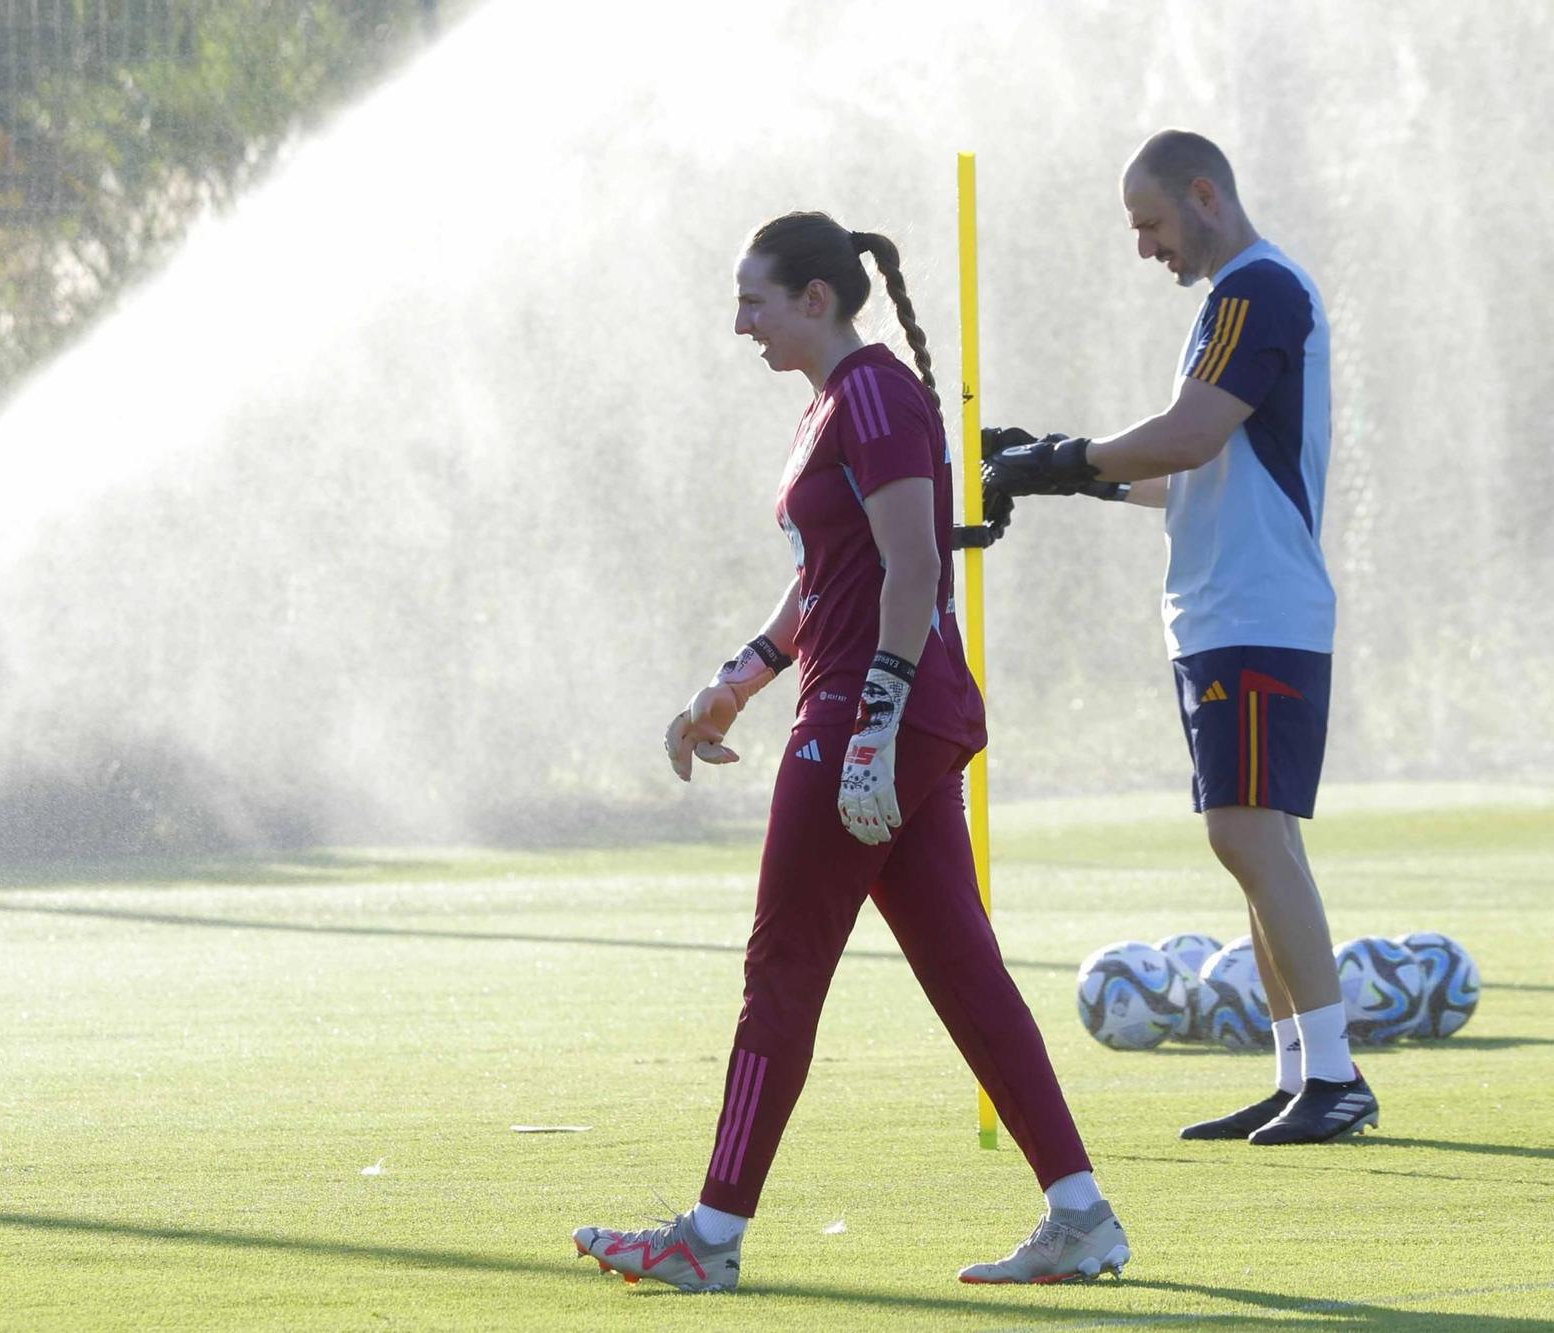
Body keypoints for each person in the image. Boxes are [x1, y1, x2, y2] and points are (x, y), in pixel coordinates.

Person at [570, 211, 1128, 1293]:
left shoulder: (870, 392)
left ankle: (709, 1236)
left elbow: (914, 565)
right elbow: (825, 577)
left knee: (780, 966)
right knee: (961, 968)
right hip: (874, 710)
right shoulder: (833, 404)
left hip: (873, 718)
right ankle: (1080, 1215)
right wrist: (735, 682)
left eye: (753, 301)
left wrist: (870, 718)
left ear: (813, 299)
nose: (739, 324)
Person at [982, 129, 1373, 1147]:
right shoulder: (1230, 302)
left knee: (1240, 831)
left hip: (1254, 607)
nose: (1143, 247)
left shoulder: (1254, 290)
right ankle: (1299, 1072)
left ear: (1204, 195)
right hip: (1221, 609)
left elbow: (1188, 432)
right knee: (1252, 839)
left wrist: (1057, 457)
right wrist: (1052, 466)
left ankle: (1332, 1077)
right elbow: (1184, 472)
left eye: (1149, 223)